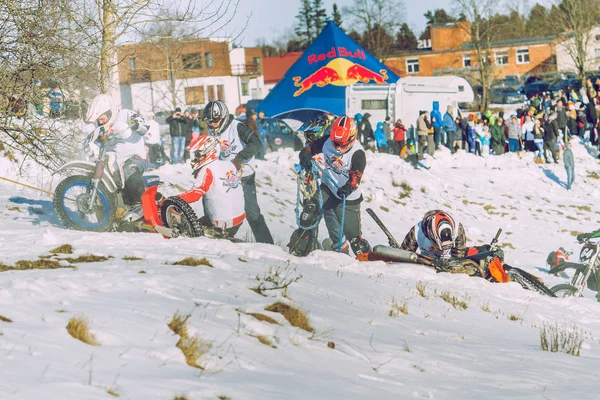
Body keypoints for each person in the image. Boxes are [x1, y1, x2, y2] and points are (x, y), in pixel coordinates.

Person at [202, 100, 274, 244]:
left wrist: (240, 158)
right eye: (209, 121)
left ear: (222, 116)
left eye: (215, 120)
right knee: (213, 203)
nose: (213, 124)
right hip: (225, 176)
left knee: (251, 213)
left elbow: (256, 143)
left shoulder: (237, 127)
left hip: (244, 175)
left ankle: (268, 245)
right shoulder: (211, 132)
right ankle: (214, 236)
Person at [299, 116, 371, 255]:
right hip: (328, 189)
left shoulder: (358, 153)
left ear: (352, 138)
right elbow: (310, 148)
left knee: (357, 243)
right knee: (308, 214)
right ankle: (300, 249)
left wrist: (348, 187)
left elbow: (356, 177)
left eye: (342, 144)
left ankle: (370, 263)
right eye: (335, 143)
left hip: (348, 197)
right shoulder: (327, 141)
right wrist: (305, 156)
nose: (337, 147)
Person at [83, 93, 148, 217]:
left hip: (134, 157)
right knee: (102, 180)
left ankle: (139, 205)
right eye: (99, 120)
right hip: (112, 161)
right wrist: (89, 145)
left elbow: (145, 126)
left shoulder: (125, 114)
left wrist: (133, 124)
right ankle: (109, 213)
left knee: (128, 171)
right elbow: (90, 137)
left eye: (102, 119)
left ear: (110, 113)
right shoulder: (100, 126)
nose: (100, 122)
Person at [176, 135, 245, 238]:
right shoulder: (229, 165)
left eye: (198, 154)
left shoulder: (207, 169)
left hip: (222, 221)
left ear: (210, 153)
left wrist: (174, 199)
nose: (195, 158)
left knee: (187, 233)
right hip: (239, 216)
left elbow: (195, 194)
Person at [400, 210, 467, 260]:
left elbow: (459, 256)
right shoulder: (416, 231)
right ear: (432, 234)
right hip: (425, 266)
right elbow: (403, 255)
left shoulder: (458, 228)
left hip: (449, 266)